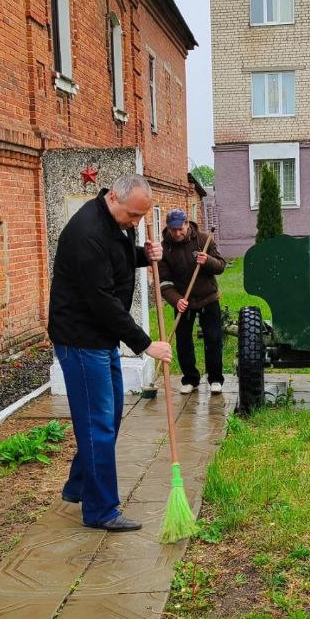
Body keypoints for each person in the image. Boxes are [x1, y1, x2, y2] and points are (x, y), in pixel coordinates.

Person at [47, 175, 171, 532]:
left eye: (140, 219)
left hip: (100, 339)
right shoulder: (87, 232)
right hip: (81, 340)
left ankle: (80, 485)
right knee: (98, 423)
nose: (135, 223)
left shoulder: (115, 222)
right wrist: (146, 344)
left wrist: (144, 256)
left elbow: (116, 256)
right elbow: (101, 301)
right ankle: (101, 510)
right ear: (114, 197)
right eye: (133, 216)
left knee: (109, 415)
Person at [158, 210, 226, 395]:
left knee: (213, 339)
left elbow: (221, 266)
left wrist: (208, 260)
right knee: (183, 342)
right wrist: (175, 299)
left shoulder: (204, 240)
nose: (177, 233)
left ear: (187, 224)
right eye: (173, 230)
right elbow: (164, 282)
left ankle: (215, 379)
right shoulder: (164, 249)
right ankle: (190, 379)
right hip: (183, 301)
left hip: (208, 298)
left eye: (180, 229)